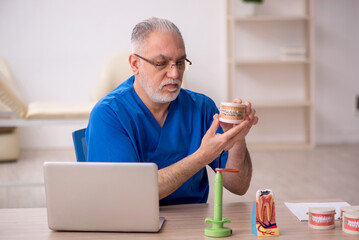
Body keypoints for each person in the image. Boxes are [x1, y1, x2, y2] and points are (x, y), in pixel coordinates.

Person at [86, 17, 258, 205]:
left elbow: (239, 186)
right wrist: (202, 156)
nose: (175, 74)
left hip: (193, 223)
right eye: (161, 63)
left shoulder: (201, 108)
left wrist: (238, 141)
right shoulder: (110, 114)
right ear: (135, 64)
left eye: (180, 62)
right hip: (135, 224)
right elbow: (129, 195)